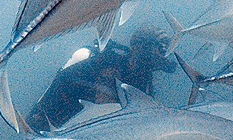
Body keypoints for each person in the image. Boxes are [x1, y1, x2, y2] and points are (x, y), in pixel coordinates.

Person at [25, 26, 175, 132]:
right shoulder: (106, 63)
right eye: (158, 51)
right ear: (139, 47)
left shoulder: (143, 80)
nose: (157, 59)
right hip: (56, 126)